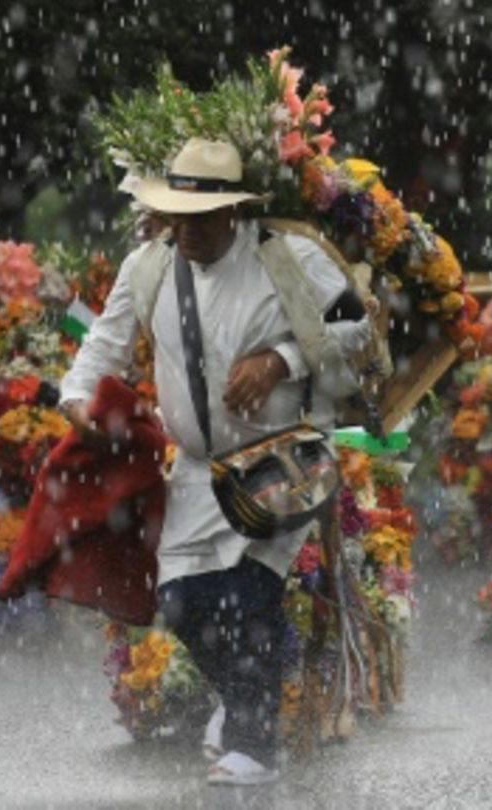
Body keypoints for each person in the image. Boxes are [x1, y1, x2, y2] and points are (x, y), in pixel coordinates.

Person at [59, 138, 371, 787]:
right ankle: (241, 703)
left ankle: (255, 746)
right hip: (200, 471)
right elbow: (103, 346)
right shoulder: (147, 267)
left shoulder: (289, 258)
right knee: (179, 603)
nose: (187, 230)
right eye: (176, 217)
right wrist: (76, 398)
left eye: (200, 217)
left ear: (234, 210)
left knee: (249, 593)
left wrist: (280, 360)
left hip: (285, 460)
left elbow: (358, 328)